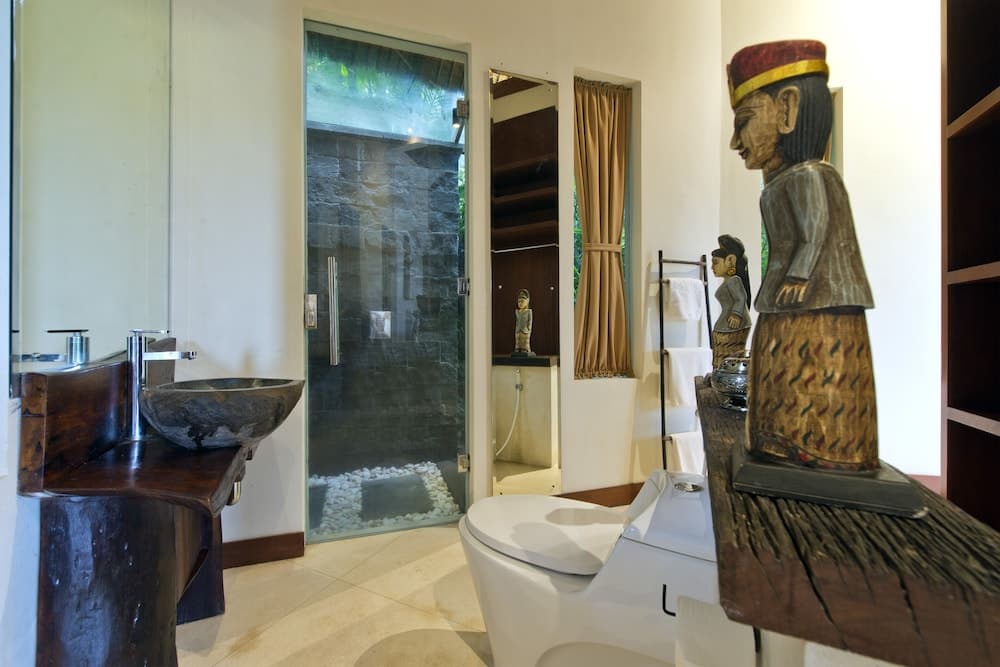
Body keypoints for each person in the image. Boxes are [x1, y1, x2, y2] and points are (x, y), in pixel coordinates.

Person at [727, 40, 877, 471]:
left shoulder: (811, 175)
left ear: (787, 109)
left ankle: (821, 451)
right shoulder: (777, 186)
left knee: (822, 393)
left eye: (744, 122)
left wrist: (799, 275)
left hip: (819, 310)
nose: (735, 142)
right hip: (784, 307)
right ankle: (778, 441)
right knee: (779, 393)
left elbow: (815, 232)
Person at [710, 234, 751, 369]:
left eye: (715, 262)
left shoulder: (734, 281)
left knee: (728, 359)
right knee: (724, 359)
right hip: (726, 327)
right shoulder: (730, 281)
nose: (712, 267)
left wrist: (736, 314)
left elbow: (741, 298)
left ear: (730, 261)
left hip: (732, 328)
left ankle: (725, 376)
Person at [513, 288, 534, 356]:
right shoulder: (517, 311)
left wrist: (529, 328)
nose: (520, 303)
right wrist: (516, 329)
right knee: (518, 341)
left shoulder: (529, 311)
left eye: (522, 301)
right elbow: (517, 321)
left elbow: (530, 321)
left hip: (525, 330)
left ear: (527, 301)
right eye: (519, 302)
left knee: (525, 341)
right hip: (518, 329)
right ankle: (518, 348)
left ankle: (525, 349)